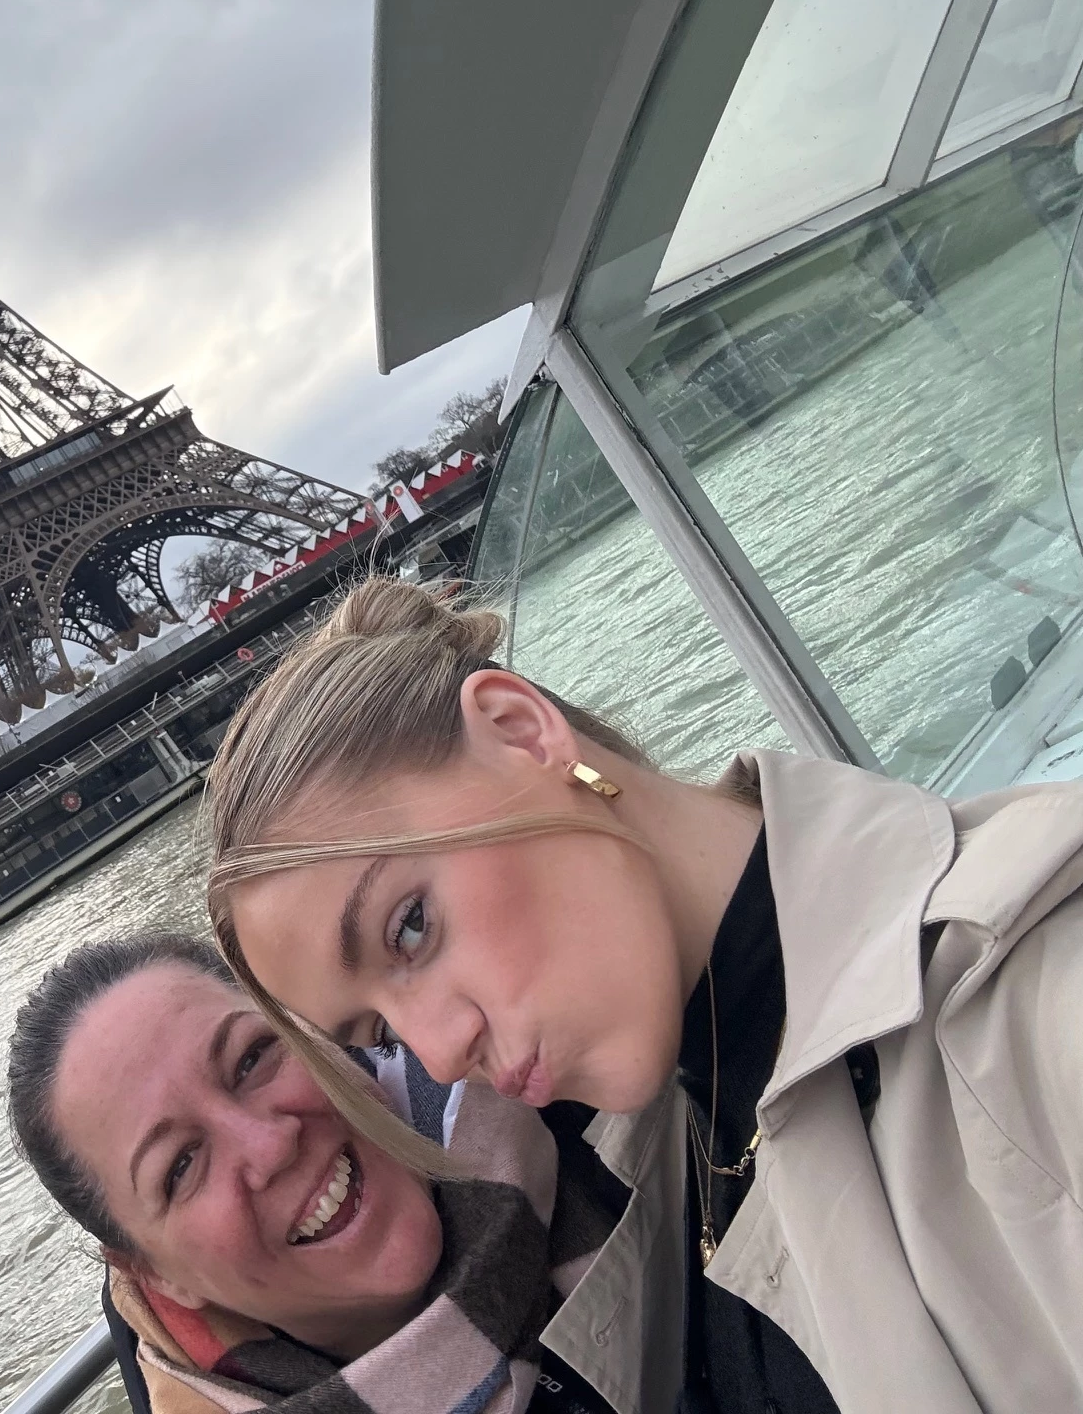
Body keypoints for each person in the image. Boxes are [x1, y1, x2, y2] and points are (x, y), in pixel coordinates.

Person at [201, 574, 1083, 1414]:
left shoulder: (1039, 1007)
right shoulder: (669, 1137)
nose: (439, 1053)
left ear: (521, 733)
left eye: (410, 928)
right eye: (380, 1035)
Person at [6, 933, 618, 1414]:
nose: (271, 1145)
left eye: (252, 1058)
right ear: (158, 1276)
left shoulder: (589, 1091)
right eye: (181, 1167)